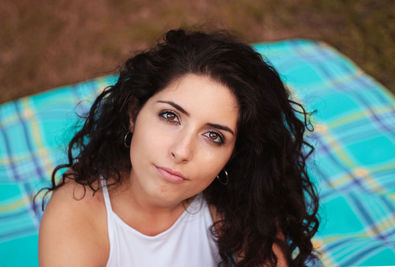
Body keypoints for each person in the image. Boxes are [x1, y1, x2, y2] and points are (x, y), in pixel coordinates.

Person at [37, 28, 319, 267]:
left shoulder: (238, 202)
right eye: (170, 116)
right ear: (134, 114)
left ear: (233, 154)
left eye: (214, 136)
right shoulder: (77, 214)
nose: (182, 151)